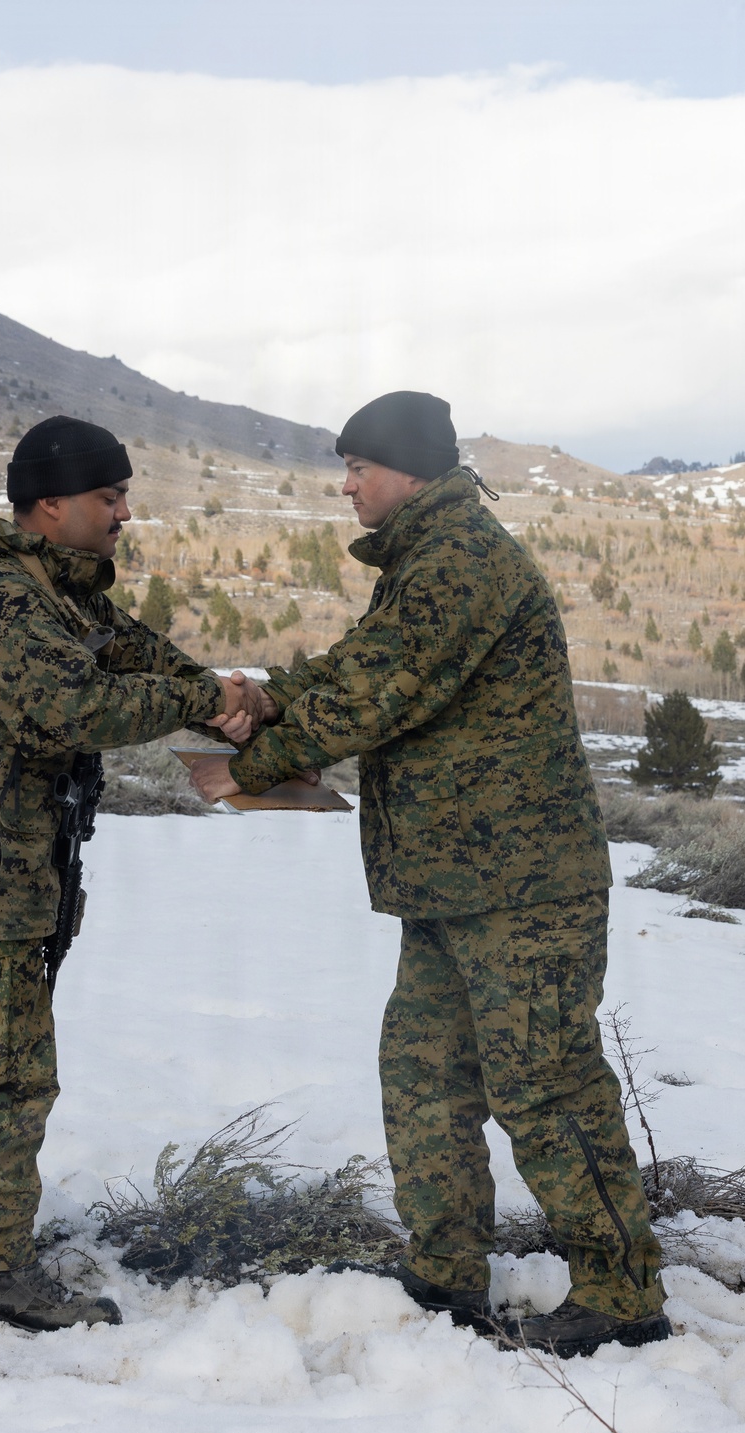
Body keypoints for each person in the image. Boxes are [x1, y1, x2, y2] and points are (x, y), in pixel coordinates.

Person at [191, 391, 670, 1359]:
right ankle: (444, 1264)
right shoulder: (424, 559)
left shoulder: (462, 559)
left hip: (520, 884)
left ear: (407, 469)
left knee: (546, 1086)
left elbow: (381, 690)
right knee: (426, 1078)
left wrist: (249, 762)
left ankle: (622, 1291)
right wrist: (269, 704)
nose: (347, 483)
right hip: (454, 882)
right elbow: (358, 665)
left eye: (360, 465)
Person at [0, 415, 261, 1332]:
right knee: (4, 1078)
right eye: (109, 497)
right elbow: (66, 706)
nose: (125, 513)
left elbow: (132, 655)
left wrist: (232, 703)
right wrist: (210, 702)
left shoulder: (57, 590)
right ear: (51, 506)